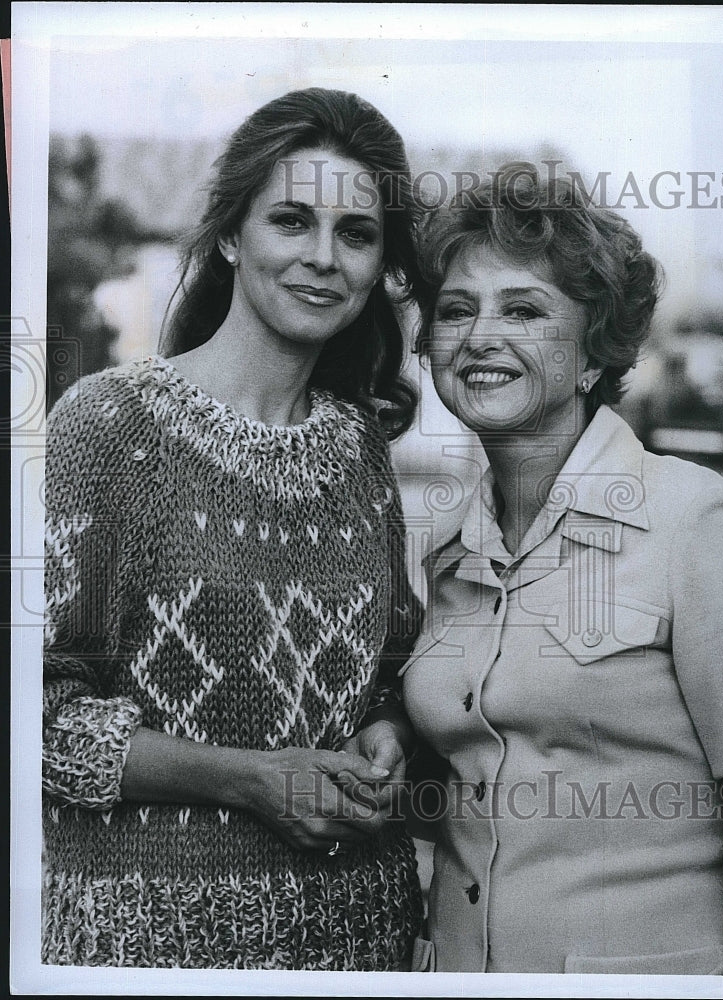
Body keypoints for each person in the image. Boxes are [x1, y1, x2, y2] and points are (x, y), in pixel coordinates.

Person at [42, 88, 426, 969]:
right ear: (229, 236)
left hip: (359, 938)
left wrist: (389, 732)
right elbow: (34, 716)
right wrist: (247, 780)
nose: (322, 258)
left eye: (356, 234)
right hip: (149, 948)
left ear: (377, 265)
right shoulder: (109, 427)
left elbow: (383, 675)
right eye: (291, 220)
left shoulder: (357, 442)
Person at [401, 166, 723, 974]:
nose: (480, 334)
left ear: (594, 350)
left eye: (523, 309)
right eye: (456, 311)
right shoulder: (447, 554)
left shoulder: (691, 521)